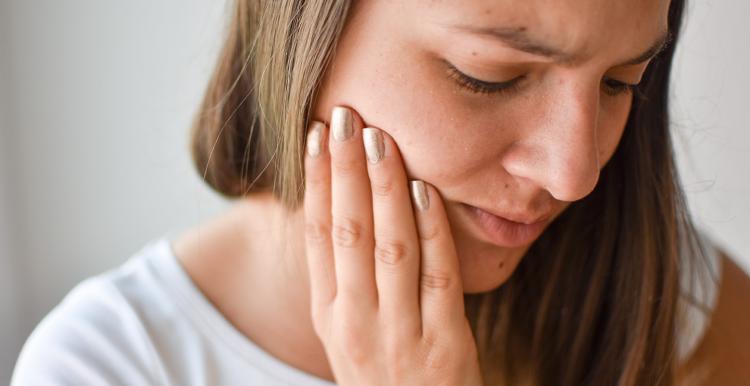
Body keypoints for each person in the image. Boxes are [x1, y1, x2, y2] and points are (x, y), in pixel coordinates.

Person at [11, 0, 750, 385]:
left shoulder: (676, 309)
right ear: (310, 30)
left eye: (621, 83)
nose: (573, 175)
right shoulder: (110, 368)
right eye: (488, 75)